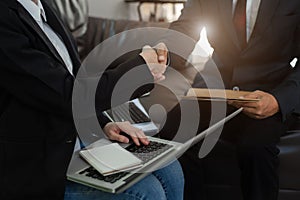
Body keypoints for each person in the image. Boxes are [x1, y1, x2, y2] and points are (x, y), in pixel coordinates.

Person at [0, 0, 184, 199]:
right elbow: (67, 93)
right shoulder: (5, 19)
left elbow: (70, 81)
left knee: (170, 168)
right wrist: (139, 72)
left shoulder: (44, 10)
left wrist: (103, 123)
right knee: (147, 192)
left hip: (70, 140)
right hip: (37, 165)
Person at [151, 0, 300, 199]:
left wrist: (279, 100)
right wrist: (164, 52)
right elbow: (186, 26)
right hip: (216, 86)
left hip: (271, 91)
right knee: (171, 133)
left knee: (255, 149)